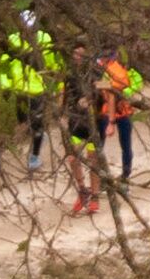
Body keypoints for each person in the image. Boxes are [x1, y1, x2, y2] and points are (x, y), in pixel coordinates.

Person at [4, 8, 58, 170]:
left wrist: (54, 82)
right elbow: (5, 65)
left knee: (37, 123)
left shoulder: (43, 38)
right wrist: (6, 86)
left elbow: (50, 62)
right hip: (19, 90)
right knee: (22, 121)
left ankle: (34, 156)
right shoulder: (12, 40)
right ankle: (36, 136)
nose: (27, 29)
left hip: (37, 89)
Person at [60, 66, 104, 216]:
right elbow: (64, 95)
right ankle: (82, 190)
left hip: (94, 125)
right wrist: (61, 113)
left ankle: (95, 196)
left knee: (93, 160)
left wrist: (91, 96)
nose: (78, 57)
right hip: (76, 124)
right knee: (73, 157)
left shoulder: (96, 71)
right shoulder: (70, 75)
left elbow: (109, 88)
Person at [94, 50, 141, 185]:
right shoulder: (100, 69)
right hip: (105, 111)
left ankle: (125, 176)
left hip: (121, 112)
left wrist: (99, 84)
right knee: (100, 146)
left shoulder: (116, 70)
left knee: (125, 145)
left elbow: (119, 87)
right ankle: (101, 177)